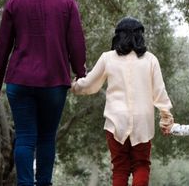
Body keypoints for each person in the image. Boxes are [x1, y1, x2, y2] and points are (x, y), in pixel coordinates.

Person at [0, 0, 87, 186]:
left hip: (19, 81)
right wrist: (81, 75)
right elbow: (77, 42)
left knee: (24, 138)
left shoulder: (15, 1)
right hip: (54, 83)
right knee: (45, 138)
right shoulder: (67, 2)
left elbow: (2, 46)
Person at [71, 17, 173, 186]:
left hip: (115, 120)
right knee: (141, 165)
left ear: (118, 36)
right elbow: (159, 91)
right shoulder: (150, 60)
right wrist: (165, 116)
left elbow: (89, 84)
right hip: (143, 121)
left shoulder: (108, 58)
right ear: (140, 36)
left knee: (120, 168)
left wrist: (74, 85)